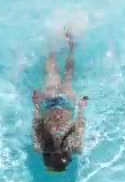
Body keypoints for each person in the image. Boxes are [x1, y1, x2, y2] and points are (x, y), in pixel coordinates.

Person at [32, 31, 88, 172]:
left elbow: (37, 123)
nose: (58, 151)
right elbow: (80, 124)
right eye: (61, 154)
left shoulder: (40, 145)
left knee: (52, 75)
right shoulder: (75, 145)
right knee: (68, 76)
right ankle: (71, 46)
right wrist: (81, 107)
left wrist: (37, 104)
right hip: (67, 105)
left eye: (54, 154)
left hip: (49, 104)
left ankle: (52, 46)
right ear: (67, 155)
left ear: (47, 155)